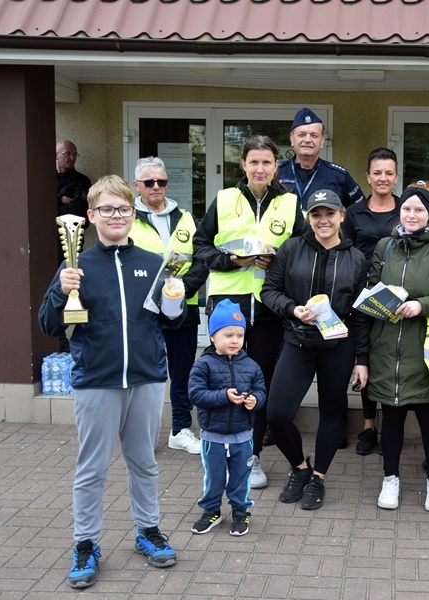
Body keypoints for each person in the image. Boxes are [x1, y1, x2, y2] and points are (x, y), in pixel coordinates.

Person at [38, 175, 185, 589]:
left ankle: (148, 531)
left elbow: (173, 321)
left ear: (132, 214)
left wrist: (176, 303)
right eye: (106, 209)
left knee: (144, 462)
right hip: (96, 382)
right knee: (92, 468)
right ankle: (85, 544)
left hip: (146, 379)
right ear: (91, 216)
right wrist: (59, 292)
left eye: (122, 208)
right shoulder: (75, 266)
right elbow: (49, 323)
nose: (115, 216)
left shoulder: (154, 263)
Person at [193, 135, 307, 490]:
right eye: (253, 162)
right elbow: (201, 245)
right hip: (228, 305)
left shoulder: (290, 202)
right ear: (243, 165)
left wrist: (279, 261)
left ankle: (250, 455)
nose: (260, 168)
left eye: (267, 163)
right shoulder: (225, 199)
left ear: (276, 167)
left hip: (270, 308)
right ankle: (216, 451)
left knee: (257, 382)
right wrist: (229, 260)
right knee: (222, 381)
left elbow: (303, 251)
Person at [261, 189, 370, 510]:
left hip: (338, 345)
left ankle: (319, 477)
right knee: (277, 414)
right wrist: (293, 309)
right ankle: (299, 468)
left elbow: (362, 313)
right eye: (316, 214)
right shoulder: (292, 248)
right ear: (308, 217)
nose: (323, 220)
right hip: (297, 340)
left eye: (330, 214)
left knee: (332, 413)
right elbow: (269, 290)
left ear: (341, 216)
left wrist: (361, 359)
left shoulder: (356, 258)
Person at [362, 186, 429, 512]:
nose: (412, 215)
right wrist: (379, 300)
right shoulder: (385, 245)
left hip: (428, 352)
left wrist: (423, 305)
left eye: (419, 210)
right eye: (407, 209)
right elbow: (370, 289)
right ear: (400, 212)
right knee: (390, 421)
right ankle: (390, 479)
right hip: (388, 350)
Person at [131, 156, 209, 455]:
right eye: (148, 182)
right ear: (137, 185)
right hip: (143, 309)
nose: (155, 187)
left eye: (161, 182)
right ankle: (142, 433)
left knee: (183, 372)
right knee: (145, 374)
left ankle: (179, 429)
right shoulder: (128, 218)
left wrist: (183, 289)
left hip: (182, 308)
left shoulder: (186, 217)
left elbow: (202, 258)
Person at [188, 299, 267, 537]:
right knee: (214, 478)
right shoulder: (204, 364)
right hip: (213, 435)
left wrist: (256, 400)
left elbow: (261, 391)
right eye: (228, 335)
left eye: (239, 335)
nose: (235, 341)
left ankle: (241, 512)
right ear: (213, 336)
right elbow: (196, 394)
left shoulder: (252, 365)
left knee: (241, 478)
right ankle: (211, 510)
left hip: (243, 436)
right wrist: (223, 396)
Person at [341, 148, 401, 455]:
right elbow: (345, 252)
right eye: (377, 172)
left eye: (389, 172)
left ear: (396, 176)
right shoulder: (353, 213)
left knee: (390, 360)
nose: (383, 178)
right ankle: (368, 427)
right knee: (364, 357)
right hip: (362, 298)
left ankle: (391, 426)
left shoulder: (407, 209)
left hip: (399, 299)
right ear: (368, 176)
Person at [277, 107, 365, 211]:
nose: (307, 140)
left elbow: (360, 211)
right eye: (302, 135)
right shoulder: (276, 172)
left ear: (322, 141)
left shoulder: (338, 175)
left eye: (314, 135)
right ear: (292, 139)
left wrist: (343, 226)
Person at [56, 140, 92, 221]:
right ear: (56, 155)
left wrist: (47, 213)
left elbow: (78, 211)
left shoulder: (82, 181)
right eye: (67, 153)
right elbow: (36, 202)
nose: (72, 158)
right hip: (43, 229)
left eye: (74, 154)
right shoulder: (45, 179)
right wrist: (60, 199)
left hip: (71, 231)